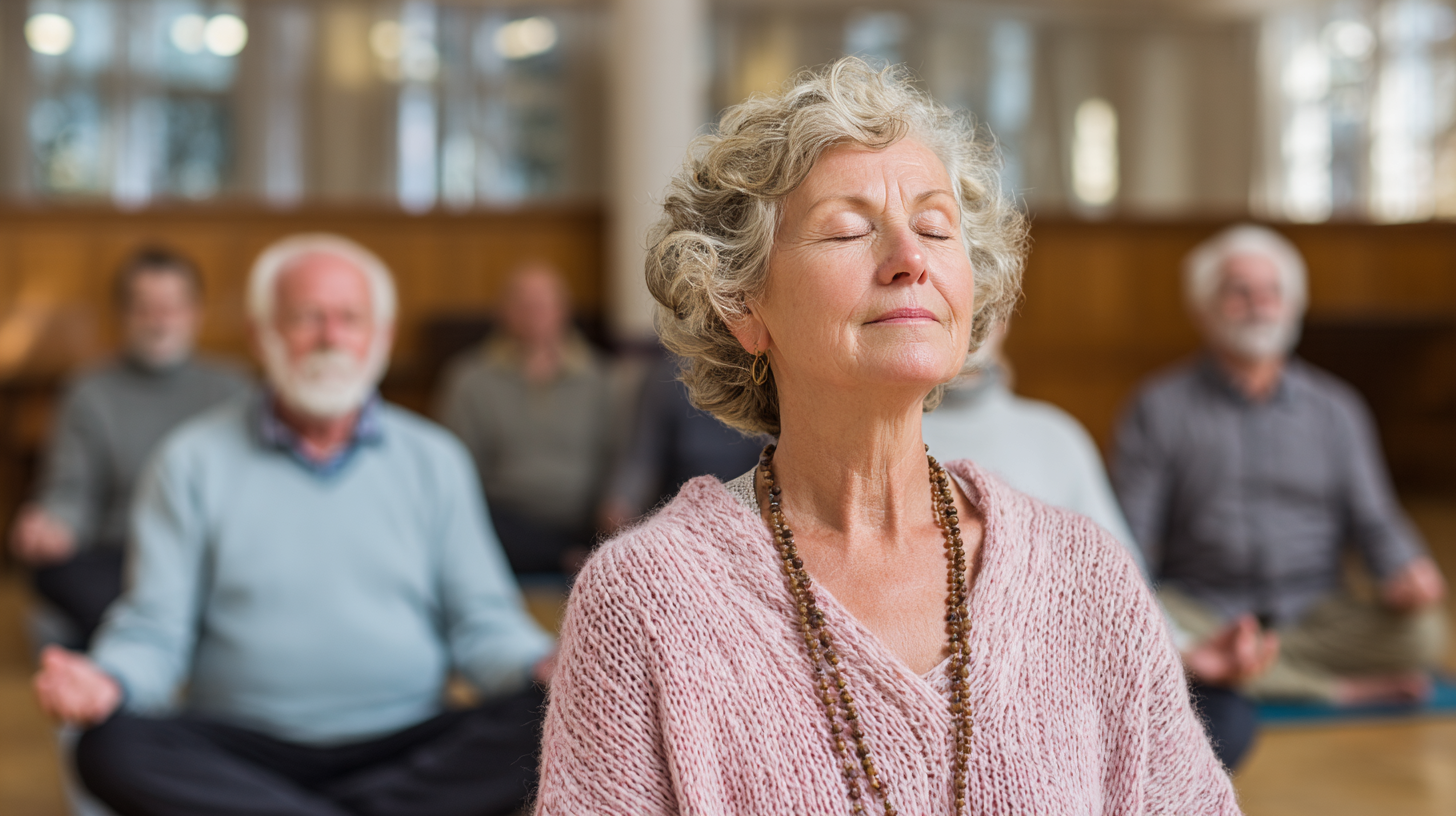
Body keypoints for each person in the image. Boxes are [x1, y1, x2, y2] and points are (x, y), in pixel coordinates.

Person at [534, 59, 1237, 815]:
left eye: (936, 228)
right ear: (743, 303)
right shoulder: (645, 600)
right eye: (848, 229)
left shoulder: (1083, 575)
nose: (912, 260)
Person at [32, 233, 556, 816]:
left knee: (550, 719)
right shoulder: (189, 462)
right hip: (242, 749)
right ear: (262, 336)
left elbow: (483, 624)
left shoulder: (434, 460)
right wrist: (110, 680)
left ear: (379, 337)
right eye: (307, 317)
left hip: (407, 745)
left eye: (350, 319)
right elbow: (156, 628)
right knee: (110, 747)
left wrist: (542, 661)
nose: (331, 338)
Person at [1113, 224, 1447, 707]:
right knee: (1150, 632)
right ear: (1203, 309)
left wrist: (1406, 568)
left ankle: (1251, 672)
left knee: (1425, 634)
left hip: (1318, 614)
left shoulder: (1337, 409)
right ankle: (1335, 691)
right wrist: (1145, 615)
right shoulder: (1158, 408)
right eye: (1238, 291)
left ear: (1294, 305)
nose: (1259, 304)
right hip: (1206, 608)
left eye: (1273, 291)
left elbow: (1375, 518)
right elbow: (1132, 533)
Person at [924, 325, 1270, 768]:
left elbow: (1121, 575)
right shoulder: (879, 439)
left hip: (1062, 676)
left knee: (1222, 716)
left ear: (1006, 317)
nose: (972, 317)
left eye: (986, 300)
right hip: (952, 686)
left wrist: (1182, 653)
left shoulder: (1055, 435)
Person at [9, 247, 250, 644]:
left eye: (172, 307)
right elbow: (70, 490)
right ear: (122, 314)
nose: (159, 321)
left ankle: (130, 645)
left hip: (206, 554)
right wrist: (55, 525)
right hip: (119, 555)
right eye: (145, 308)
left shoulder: (234, 389)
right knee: (53, 572)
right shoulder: (88, 392)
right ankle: (159, 643)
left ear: (196, 313)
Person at [434, 263, 617, 574]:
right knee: (474, 521)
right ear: (504, 312)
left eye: (544, 304)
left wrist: (614, 507)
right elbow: (457, 468)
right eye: (524, 304)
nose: (535, 313)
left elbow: (617, 454)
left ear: (564, 310)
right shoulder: (469, 379)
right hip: (507, 519)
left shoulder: (602, 378)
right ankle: (569, 560)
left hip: (584, 516)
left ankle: (573, 557)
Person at [597, 350, 766, 533]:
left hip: (753, 506)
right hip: (679, 512)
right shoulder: (668, 375)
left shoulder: (765, 374)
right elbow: (641, 458)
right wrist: (621, 503)